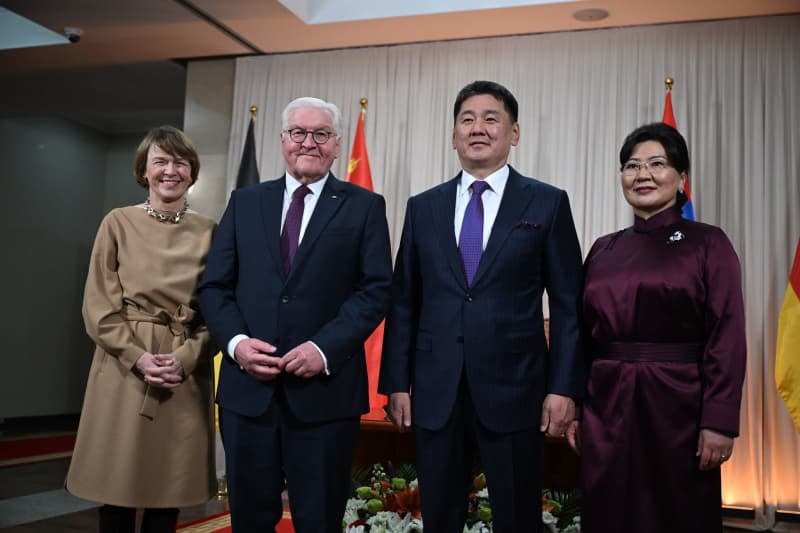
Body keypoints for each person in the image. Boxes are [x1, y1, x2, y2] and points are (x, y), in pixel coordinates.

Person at [379, 80, 585, 533]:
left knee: (517, 516)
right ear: (454, 135)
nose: (478, 128)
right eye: (467, 120)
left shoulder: (547, 203)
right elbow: (404, 301)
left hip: (517, 389)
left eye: (491, 119)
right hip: (436, 391)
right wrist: (396, 382)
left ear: (514, 133)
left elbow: (569, 306)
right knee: (440, 516)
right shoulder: (423, 207)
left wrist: (564, 387)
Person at [196, 97, 393, 533]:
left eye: (321, 134)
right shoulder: (245, 202)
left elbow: (375, 290)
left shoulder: (364, 206)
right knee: (249, 519)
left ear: (337, 145)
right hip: (248, 393)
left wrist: (324, 349)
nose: (309, 142)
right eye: (298, 133)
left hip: (325, 395)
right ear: (283, 140)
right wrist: (236, 345)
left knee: (319, 520)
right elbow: (214, 286)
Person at [570, 122, 746, 533]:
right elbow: (580, 335)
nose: (642, 174)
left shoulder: (708, 242)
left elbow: (728, 333)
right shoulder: (603, 248)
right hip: (605, 405)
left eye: (656, 164)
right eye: (631, 166)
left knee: (676, 514)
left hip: (679, 407)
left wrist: (719, 421)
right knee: (607, 512)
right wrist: (577, 406)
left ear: (681, 177)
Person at [66, 126, 217, 532]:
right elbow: (98, 305)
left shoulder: (212, 230)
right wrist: (137, 357)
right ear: (144, 171)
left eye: (180, 162)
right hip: (123, 368)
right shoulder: (117, 222)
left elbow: (221, 309)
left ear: (192, 171)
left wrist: (185, 358)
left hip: (181, 372)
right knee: (116, 489)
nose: (171, 170)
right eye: (160, 162)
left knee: (167, 492)